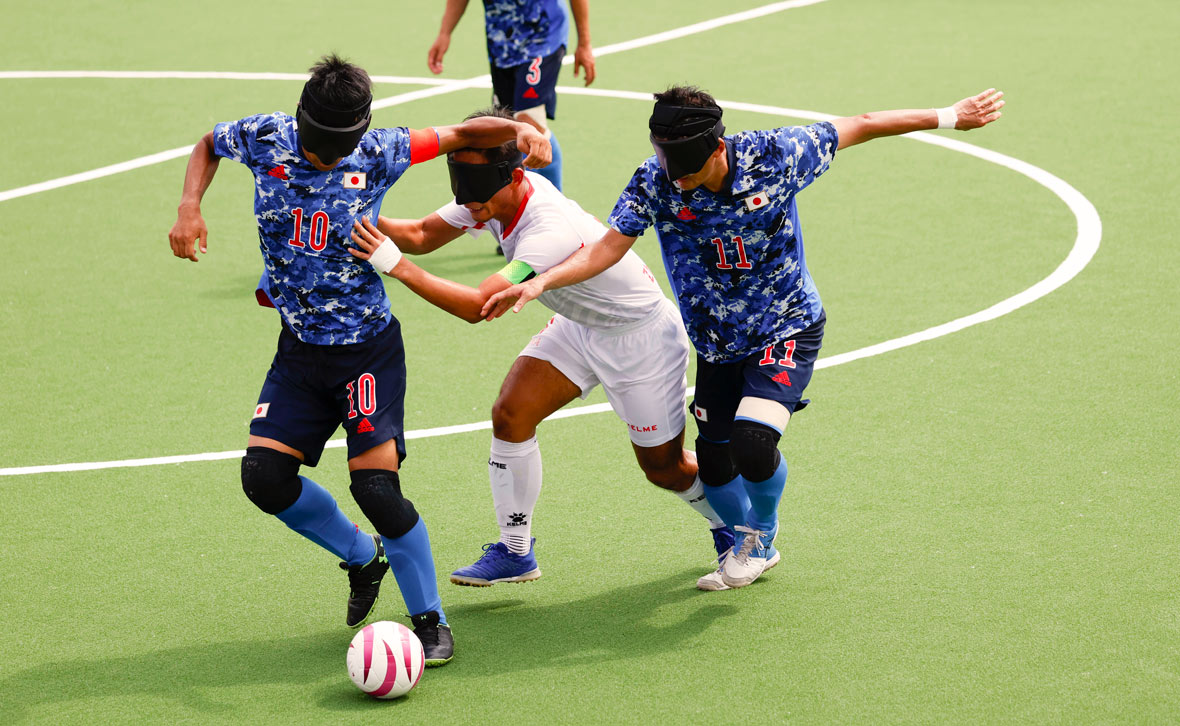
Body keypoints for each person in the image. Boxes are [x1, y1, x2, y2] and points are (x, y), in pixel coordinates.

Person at [482, 85, 1006, 589]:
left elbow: (861, 125)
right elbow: (607, 247)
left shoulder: (776, 155)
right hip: (715, 342)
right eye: (668, 164)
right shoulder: (655, 178)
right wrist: (542, 281)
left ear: (716, 147)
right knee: (713, 463)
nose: (677, 179)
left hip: (787, 324)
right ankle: (745, 539)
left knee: (752, 441)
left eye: (686, 168)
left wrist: (950, 115)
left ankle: (761, 535)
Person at [166, 54, 551, 665]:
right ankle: (361, 558)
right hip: (297, 354)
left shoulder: (380, 150)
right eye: (318, 148)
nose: (326, 159)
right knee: (264, 480)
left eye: (336, 150)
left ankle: (429, 618)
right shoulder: (266, 135)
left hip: (366, 353)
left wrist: (518, 131)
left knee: (377, 489)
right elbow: (208, 144)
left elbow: (461, 133)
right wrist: (191, 205)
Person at [346, 108, 736, 591]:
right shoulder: (488, 198)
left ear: (514, 177)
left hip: (640, 340)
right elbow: (423, 234)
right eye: (462, 187)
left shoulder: (546, 230)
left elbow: (478, 305)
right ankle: (515, 552)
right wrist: (351, 206)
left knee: (664, 467)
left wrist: (395, 266)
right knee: (511, 414)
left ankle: (737, 528)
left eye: (478, 191)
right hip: (580, 325)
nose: (469, 205)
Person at [428, 0, 595, 254]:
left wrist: (584, 43)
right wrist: (444, 33)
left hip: (543, 35)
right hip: (502, 41)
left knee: (528, 122)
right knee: (505, 126)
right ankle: (515, 215)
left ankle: (555, 215)